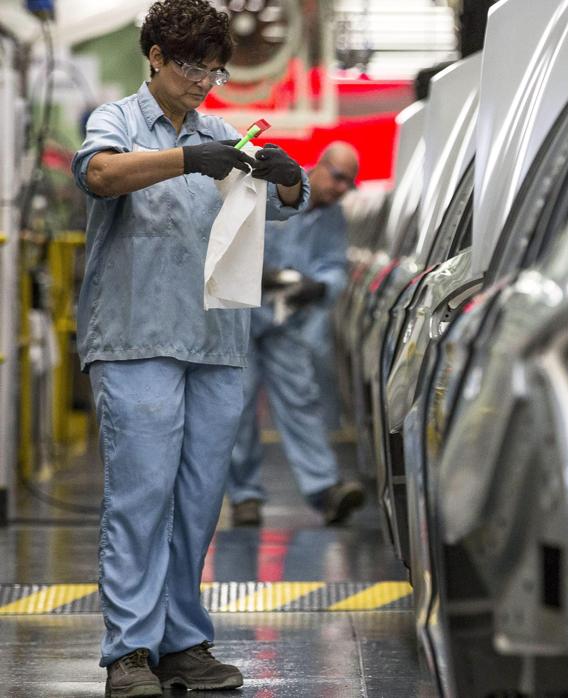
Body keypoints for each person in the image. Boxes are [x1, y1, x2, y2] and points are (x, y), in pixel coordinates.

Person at [71, 1, 309, 695]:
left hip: (213, 342)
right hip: (136, 336)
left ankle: (182, 643)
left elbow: (278, 204)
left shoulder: (224, 132)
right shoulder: (115, 120)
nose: (204, 79)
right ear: (154, 56)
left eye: (213, 67)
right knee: (141, 498)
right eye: (189, 65)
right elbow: (101, 175)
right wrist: (182, 159)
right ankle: (130, 653)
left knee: (201, 498)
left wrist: (288, 179)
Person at [227, 143, 365, 528]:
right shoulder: (277, 190)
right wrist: (263, 273)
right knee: (239, 406)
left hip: (286, 323)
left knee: (301, 399)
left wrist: (320, 287)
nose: (340, 189)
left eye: (348, 183)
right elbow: (232, 240)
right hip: (241, 317)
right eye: (337, 177)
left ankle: (325, 490)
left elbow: (335, 263)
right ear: (319, 167)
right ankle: (245, 496)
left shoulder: (333, 217)